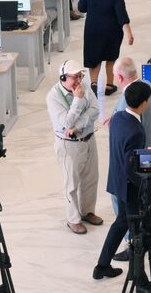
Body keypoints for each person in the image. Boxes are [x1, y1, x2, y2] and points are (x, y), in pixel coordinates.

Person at [92, 81, 151, 281]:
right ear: (144, 103)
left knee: (121, 224)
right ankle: (139, 277)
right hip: (130, 188)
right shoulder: (137, 130)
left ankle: (102, 266)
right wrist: (145, 184)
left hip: (117, 182)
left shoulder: (118, 117)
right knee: (137, 232)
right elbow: (130, 166)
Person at [46, 60, 103, 235]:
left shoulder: (84, 85)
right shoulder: (53, 96)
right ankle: (73, 219)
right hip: (68, 145)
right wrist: (78, 101)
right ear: (63, 77)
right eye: (74, 77)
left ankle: (87, 211)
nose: (79, 81)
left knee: (91, 178)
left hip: (88, 138)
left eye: (80, 76)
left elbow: (95, 110)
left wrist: (77, 127)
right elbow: (65, 122)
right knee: (71, 183)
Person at [80, 0, 133, 95]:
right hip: (112, 31)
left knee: (95, 59)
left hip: (92, 29)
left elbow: (81, 7)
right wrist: (129, 33)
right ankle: (109, 85)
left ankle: (94, 83)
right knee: (110, 58)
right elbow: (121, 13)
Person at [107, 57, 151, 147]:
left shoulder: (129, 98)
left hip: (141, 155)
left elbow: (123, 132)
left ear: (120, 77)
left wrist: (114, 122)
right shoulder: (149, 85)